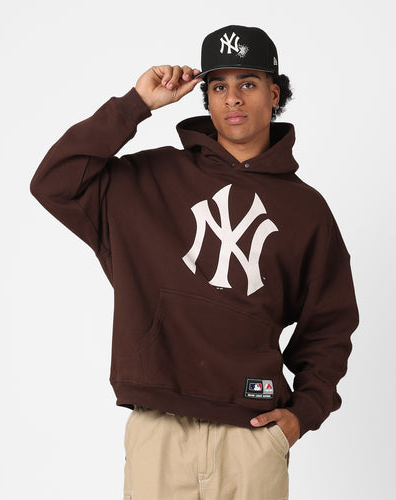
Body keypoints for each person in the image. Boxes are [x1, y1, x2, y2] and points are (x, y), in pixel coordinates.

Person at [30, 25, 359, 500]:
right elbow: (54, 182)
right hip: (159, 432)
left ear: (274, 93)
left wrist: (302, 414)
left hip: (252, 435)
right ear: (206, 97)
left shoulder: (307, 210)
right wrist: (135, 105)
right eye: (218, 86)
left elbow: (329, 324)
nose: (233, 98)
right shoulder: (148, 179)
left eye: (248, 83)